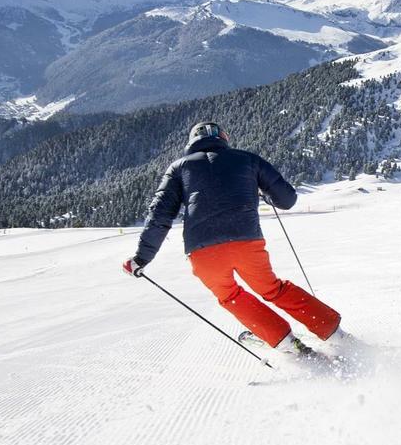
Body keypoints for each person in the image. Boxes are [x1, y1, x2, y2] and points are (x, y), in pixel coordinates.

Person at [122, 121, 345, 358]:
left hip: (203, 252)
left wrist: (141, 258)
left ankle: (287, 343)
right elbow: (287, 200)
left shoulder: (178, 168)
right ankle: (334, 333)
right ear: (224, 138)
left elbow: (159, 217)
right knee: (273, 289)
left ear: (191, 142)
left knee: (230, 296)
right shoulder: (247, 159)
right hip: (246, 242)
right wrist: (265, 192)